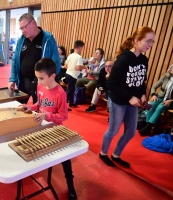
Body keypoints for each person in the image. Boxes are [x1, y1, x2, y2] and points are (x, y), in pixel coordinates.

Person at [19, 58, 77, 200]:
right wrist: (30, 107)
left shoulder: (60, 93)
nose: (38, 82)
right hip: (41, 126)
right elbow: (39, 104)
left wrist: (46, 116)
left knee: (66, 159)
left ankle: (71, 185)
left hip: (55, 129)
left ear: (52, 76)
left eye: (41, 78)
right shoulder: (40, 87)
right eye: (37, 78)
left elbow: (63, 116)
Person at [99, 26, 155, 168]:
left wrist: (142, 95)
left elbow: (141, 81)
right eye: (148, 41)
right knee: (114, 130)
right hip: (119, 100)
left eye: (152, 42)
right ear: (136, 41)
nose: (150, 45)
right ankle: (103, 153)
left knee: (130, 132)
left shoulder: (144, 60)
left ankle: (116, 154)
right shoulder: (123, 59)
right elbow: (111, 84)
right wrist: (130, 97)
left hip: (133, 102)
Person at [8, 13, 61, 104]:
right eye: (21, 28)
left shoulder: (48, 39)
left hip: (40, 83)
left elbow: (55, 62)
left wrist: (48, 82)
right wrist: (13, 79)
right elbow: (15, 60)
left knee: (39, 113)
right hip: (23, 81)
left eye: (24, 27)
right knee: (19, 108)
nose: (23, 31)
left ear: (33, 23)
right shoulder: (21, 40)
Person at [139, 64, 173, 135]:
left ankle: (147, 127)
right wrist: (153, 95)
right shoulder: (165, 77)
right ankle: (148, 128)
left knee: (160, 107)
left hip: (171, 101)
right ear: (170, 70)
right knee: (150, 105)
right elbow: (154, 86)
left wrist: (171, 100)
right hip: (161, 97)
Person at [65, 40, 87, 108]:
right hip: (73, 75)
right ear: (80, 47)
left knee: (71, 89)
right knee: (69, 91)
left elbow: (66, 66)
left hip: (67, 73)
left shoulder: (70, 55)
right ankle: (63, 106)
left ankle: (71, 103)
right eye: (82, 48)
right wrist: (84, 67)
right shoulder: (79, 57)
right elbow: (78, 67)